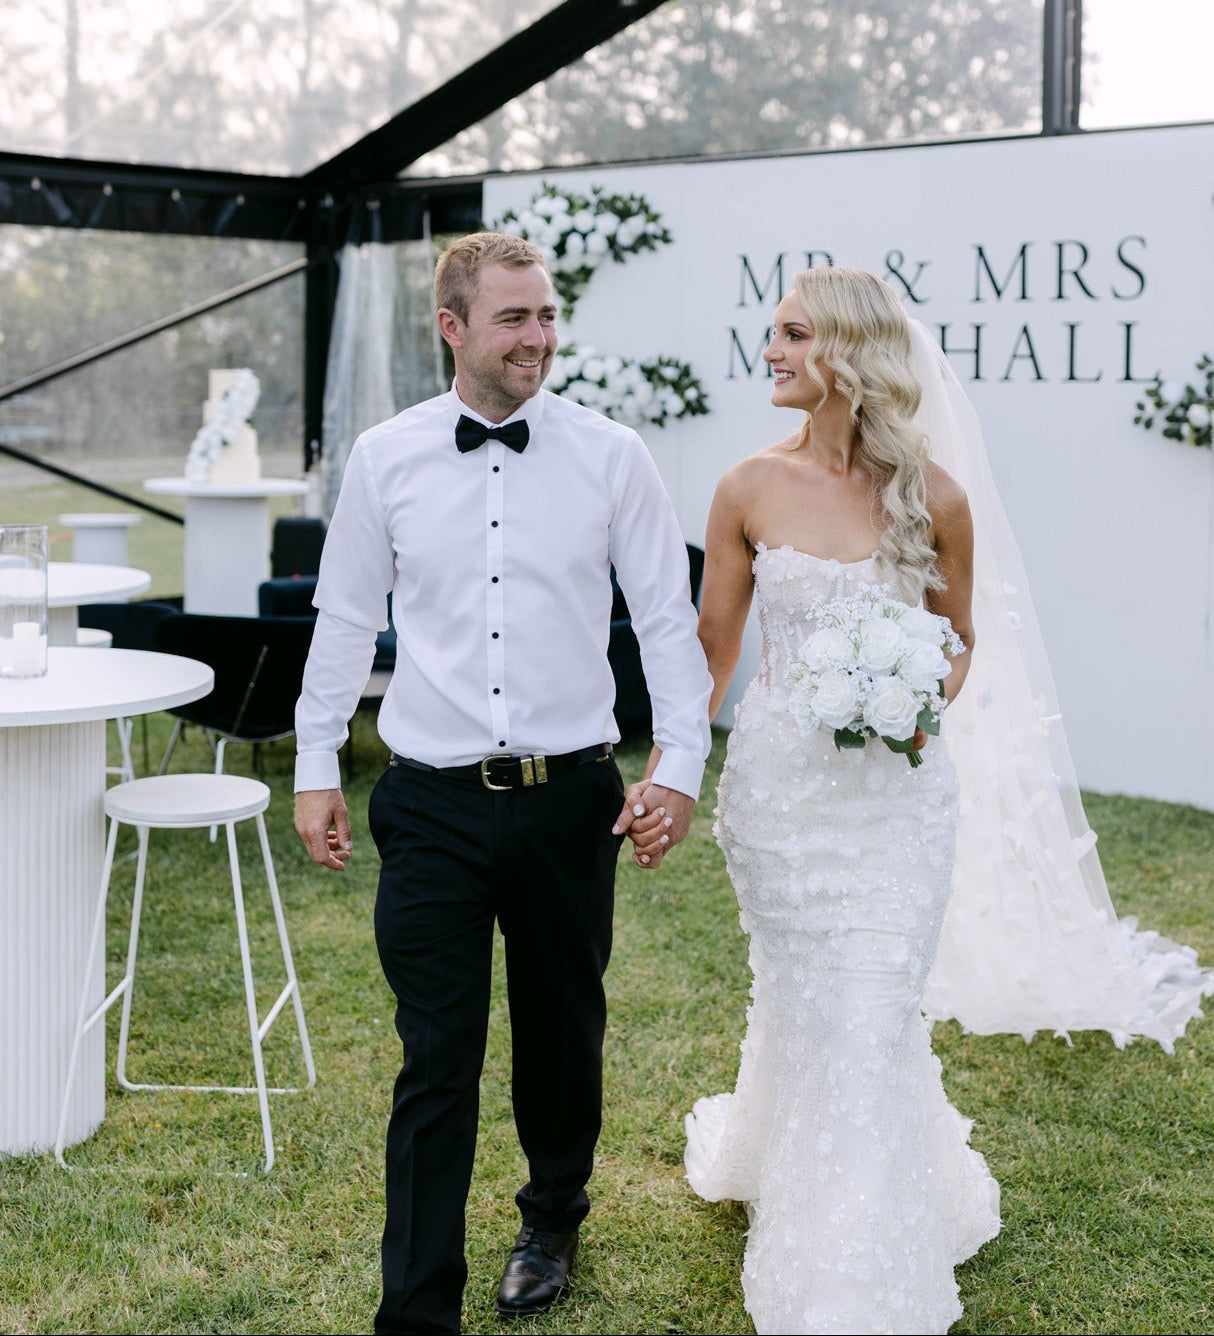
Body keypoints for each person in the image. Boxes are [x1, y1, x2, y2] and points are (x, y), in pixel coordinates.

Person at [292, 231, 712, 1336]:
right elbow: (343, 619)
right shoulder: (385, 459)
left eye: (546, 315)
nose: (539, 337)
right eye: (514, 318)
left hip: (570, 795)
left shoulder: (612, 455)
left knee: (559, 1033)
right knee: (436, 1052)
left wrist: (679, 766)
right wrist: (313, 763)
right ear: (453, 328)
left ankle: (552, 1214)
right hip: (426, 798)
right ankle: (418, 1304)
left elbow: (665, 619)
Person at [624, 266, 1001, 1334]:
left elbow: (959, 641)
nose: (771, 350)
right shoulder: (746, 487)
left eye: (792, 334)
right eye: (772, 331)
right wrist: (669, 769)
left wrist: (921, 698)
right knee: (811, 1000)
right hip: (785, 798)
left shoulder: (936, 499)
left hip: (898, 803)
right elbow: (713, 649)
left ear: (851, 349)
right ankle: (803, 1189)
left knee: (872, 1009)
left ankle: (853, 1265)